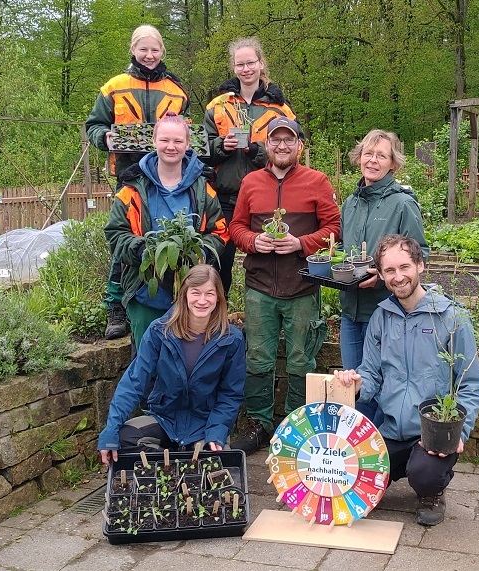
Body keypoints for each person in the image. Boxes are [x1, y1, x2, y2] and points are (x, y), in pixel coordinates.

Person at [334, 235, 479, 527]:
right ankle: (396, 468)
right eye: (389, 271)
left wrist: (460, 432)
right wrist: (355, 382)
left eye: (405, 267)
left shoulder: (451, 317)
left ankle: (432, 491)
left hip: (432, 432)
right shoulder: (381, 317)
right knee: (347, 471)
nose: (398, 277)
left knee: (425, 473)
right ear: (381, 274)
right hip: (390, 429)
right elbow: (372, 375)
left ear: (420, 265)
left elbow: (471, 382)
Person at [228, 117, 341, 453]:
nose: (281, 146)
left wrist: (301, 244)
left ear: (298, 146)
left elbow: (334, 227)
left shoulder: (316, 182)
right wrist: (252, 240)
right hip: (260, 286)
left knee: (300, 361)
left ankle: (295, 425)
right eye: (275, 140)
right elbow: (234, 226)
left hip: (302, 287)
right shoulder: (251, 182)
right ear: (266, 145)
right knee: (258, 359)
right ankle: (260, 424)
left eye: (288, 140)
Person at [85, 24, 190, 340]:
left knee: (169, 235)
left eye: (155, 49)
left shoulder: (176, 90)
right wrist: (104, 137)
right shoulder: (114, 87)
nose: (149, 55)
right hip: (130, 176)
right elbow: (94, 125)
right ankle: (116, 304)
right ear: (133, 50)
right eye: (143, 49)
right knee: (125, 241)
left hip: (168, 174)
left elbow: (185, 130)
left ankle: (172, 301)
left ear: (162, 52)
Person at [104, 113, 229, 348]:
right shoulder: (133, 187)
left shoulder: (203, 188)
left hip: (192, 289)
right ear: (154, 141)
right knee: (148, 358)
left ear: (187, 144)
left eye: (178, 141)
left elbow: (220, 230)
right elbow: (115, 233)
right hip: (146, 288)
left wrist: (200, 253)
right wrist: (144, 251)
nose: (171, 147)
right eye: (164, 140)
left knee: (189, 356)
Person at [98, 264, 245, 462]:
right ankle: (171, 468)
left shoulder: (231, 339)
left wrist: (217, 430)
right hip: (164, 420)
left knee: (217, 460)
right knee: (124, 440)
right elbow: (134, 381)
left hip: (205, 423)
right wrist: (111, 428)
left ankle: (181, 461)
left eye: (209, 293)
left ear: (218, 297)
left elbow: (231, 393)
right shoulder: (159, 331)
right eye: (196, 293)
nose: (202, 300)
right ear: (184, 294)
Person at [340, 130, 429, 425]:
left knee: (380, 390)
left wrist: (383, 276)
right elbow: (345, 249)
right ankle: (357, 457)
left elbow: (420, 254)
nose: (373, 160)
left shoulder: (402, 204)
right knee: (351, 387)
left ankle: (380, 458)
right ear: (359, 158)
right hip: (350, 312)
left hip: (387, 312)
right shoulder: (351, 204)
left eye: (382, 155)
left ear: (393, 164)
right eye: (368, 153)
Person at [203, 37, 296, 297]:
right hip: (225, 196)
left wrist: (256, 151)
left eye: (250, 63)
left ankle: (263, 316)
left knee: (266, 259)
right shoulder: (218, 105)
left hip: (266, 195)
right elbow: (200, 151)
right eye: (240, 64)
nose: (246, 69)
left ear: (261, 63)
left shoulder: (280, 109)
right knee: (219, 261)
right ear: (233, 67)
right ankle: (215, 319)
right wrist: (223, 145)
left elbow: (291, 151)